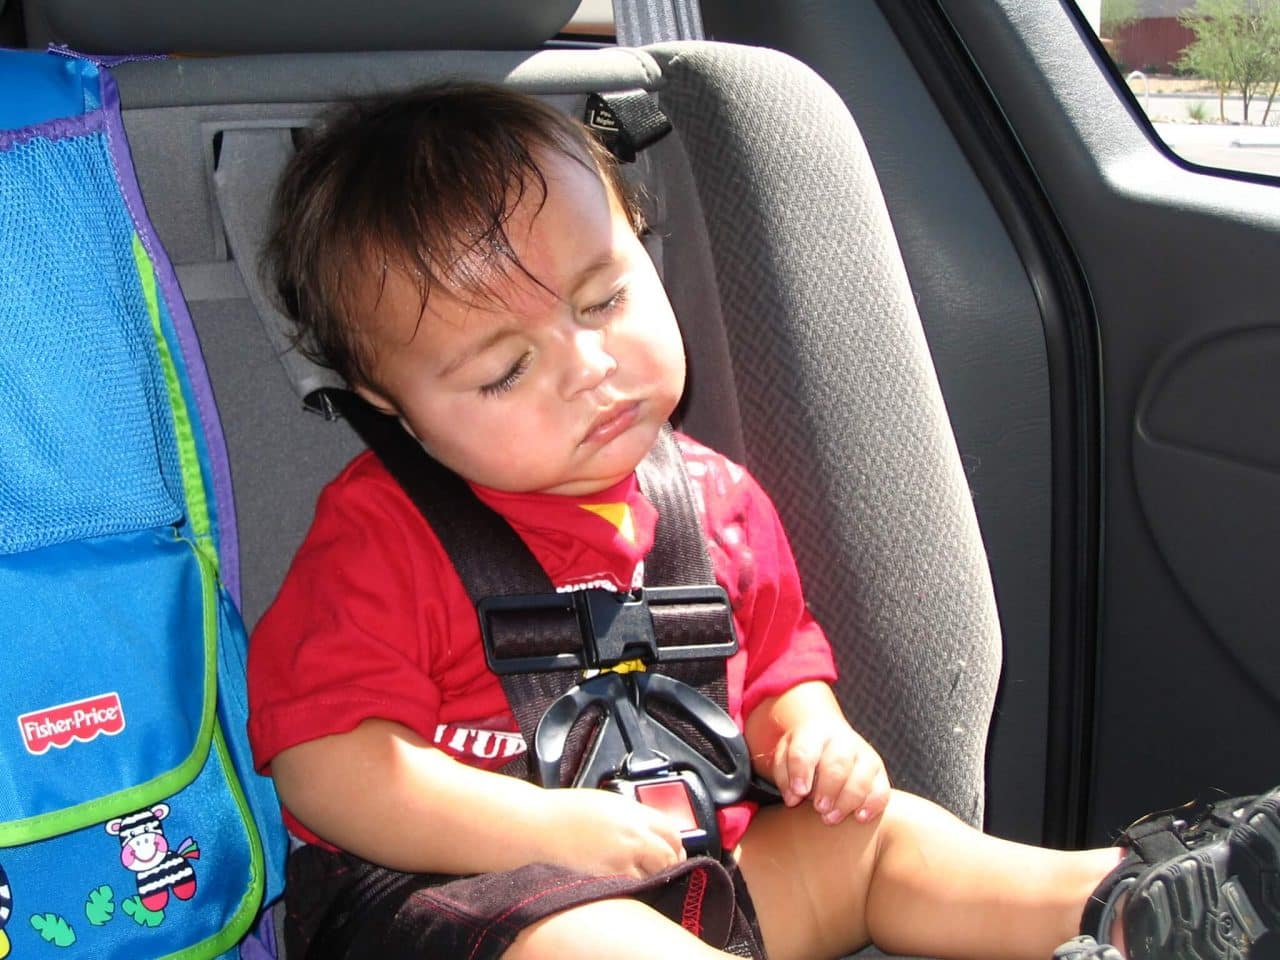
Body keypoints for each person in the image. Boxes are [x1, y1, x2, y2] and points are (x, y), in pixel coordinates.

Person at [245, 82, 1280, 960]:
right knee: (594, 943)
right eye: (506, 368)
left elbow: (775, 662)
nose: (587, 368)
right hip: (460, 905)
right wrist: (545, 828)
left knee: (878, 842)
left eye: (603, 300)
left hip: (696, 877)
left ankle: (1129, 905)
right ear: (393, 411)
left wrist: (808, 735)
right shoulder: (381, 537)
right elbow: (329, 765)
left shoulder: (712, 498)